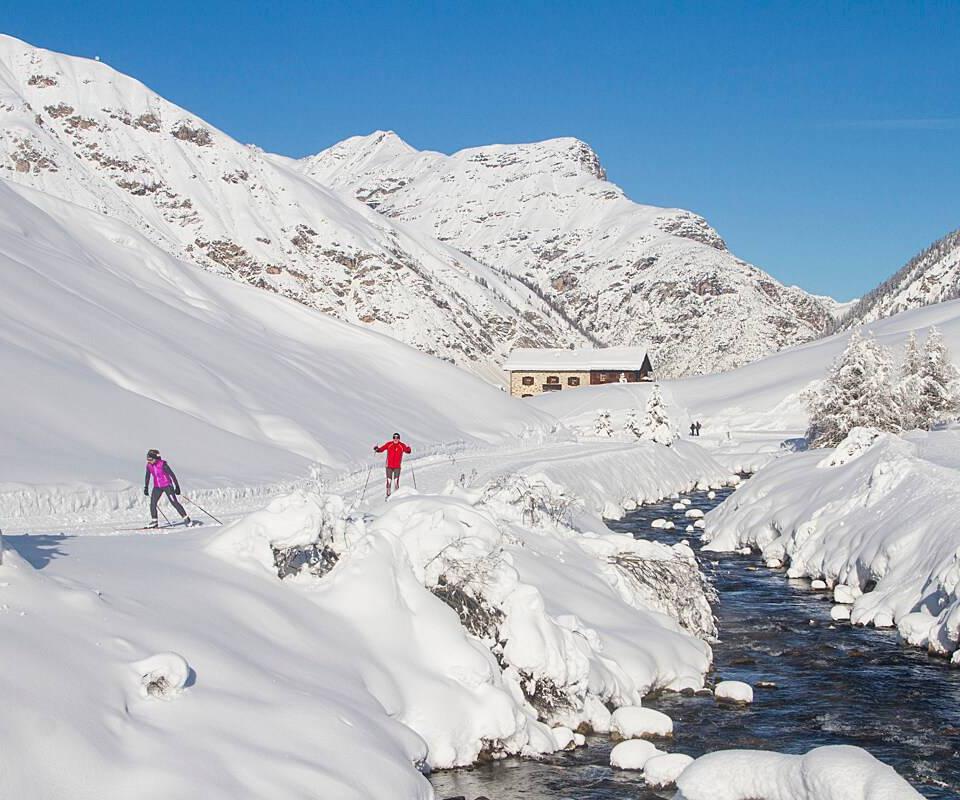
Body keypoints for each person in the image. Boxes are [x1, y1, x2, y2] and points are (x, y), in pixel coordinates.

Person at [144, 449, 190, 528]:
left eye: (150, 459)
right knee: (153, 503)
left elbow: (172, 475)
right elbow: (147, 476)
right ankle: (154, 521)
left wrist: (177, 486)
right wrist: (146, 487)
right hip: (157, 486)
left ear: (155, 458)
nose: (149, 461)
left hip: (167, 485)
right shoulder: (149, 465)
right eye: (148, 459)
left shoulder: (163, 465)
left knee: (174, 502)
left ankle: (186, 519)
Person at [374, 433, 412, 498]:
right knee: (389, 481)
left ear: (399, 439)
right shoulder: (389, 444)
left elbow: (407, 450)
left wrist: (409, 449)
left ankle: (396, 496)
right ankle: (388, 495)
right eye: (394, 437)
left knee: (396, 482)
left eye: (397, 438)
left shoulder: (401, 445)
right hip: (389, 466)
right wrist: (377, 449)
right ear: (393, 438)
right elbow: (382, 449)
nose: (396, 439)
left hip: (397, 467)